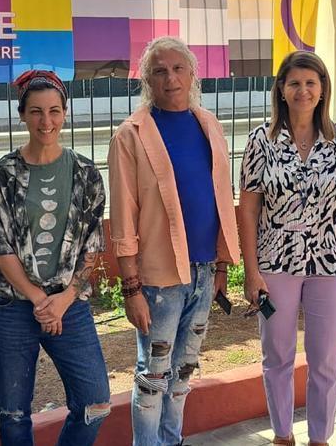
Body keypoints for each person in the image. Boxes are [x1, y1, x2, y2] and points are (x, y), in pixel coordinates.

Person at [108, 36, 242, 446]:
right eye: (160, 71)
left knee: (183, 373)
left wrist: (220, 267)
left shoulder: (209, 125)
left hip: (204, 274)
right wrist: (130, 288)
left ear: (192, 74)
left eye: (178, 68)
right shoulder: (130, 135)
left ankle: (173, 439)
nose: (171, 78)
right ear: (147, 79)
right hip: (158, 281)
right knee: (153, 375)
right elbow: (124, 219)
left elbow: (222, 197)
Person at [237, 50, 336, 446]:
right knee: (277, 354)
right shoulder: (260, 140)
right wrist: (251, 270)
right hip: (275, 261)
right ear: (281, 89)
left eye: (310, 83)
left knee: (326, 359)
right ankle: (282, 434)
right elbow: (248, 209)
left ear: (322, 91)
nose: (302, 90)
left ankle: (320, 438)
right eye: (294, 83)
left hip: (331, 262)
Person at [0, 70, 111, 445]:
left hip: (69, 306)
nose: (46, 121)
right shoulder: (2, 174)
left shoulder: (86, 172)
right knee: (13, 413)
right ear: (22, 114)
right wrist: (40, 300)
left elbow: (92, 245)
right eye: (36, 111)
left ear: (65, 113)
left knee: (96, 401)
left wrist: (64, 299)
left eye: (54, 111)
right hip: (11, 306)